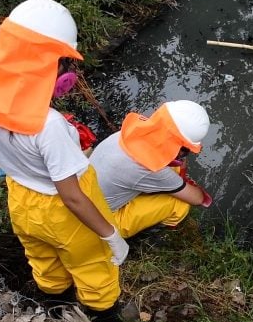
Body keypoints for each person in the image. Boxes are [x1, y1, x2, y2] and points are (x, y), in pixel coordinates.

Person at [0, 0, 128, 322]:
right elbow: (71, 197)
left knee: (43, 261)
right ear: (50, 66)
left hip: (21, 200)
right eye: (63, 63)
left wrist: (17, 155)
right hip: (63, 213)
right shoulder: (49, 125)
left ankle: (52, 310)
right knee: (92, 268)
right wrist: (111, 235)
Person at [89, 100, 212, 239]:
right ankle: (154, 235)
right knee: (179, 204)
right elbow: (197, 198)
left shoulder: (129, 133)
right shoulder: (149, 169)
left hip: (85, 198)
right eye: (185, 149)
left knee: (172, 172)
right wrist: (183, 162)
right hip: (96, 224)